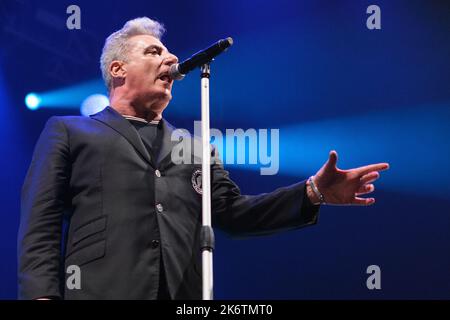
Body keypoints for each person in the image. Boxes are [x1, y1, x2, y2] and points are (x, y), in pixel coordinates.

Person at [17, 17, 389, 300]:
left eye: (169, 53)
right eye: (153, 52)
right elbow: (41, 221)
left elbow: (234, 213)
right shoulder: (70, 131)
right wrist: (41, 294)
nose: (171, 59)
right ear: (118, 70)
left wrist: (312, 192)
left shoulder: (195, 147)